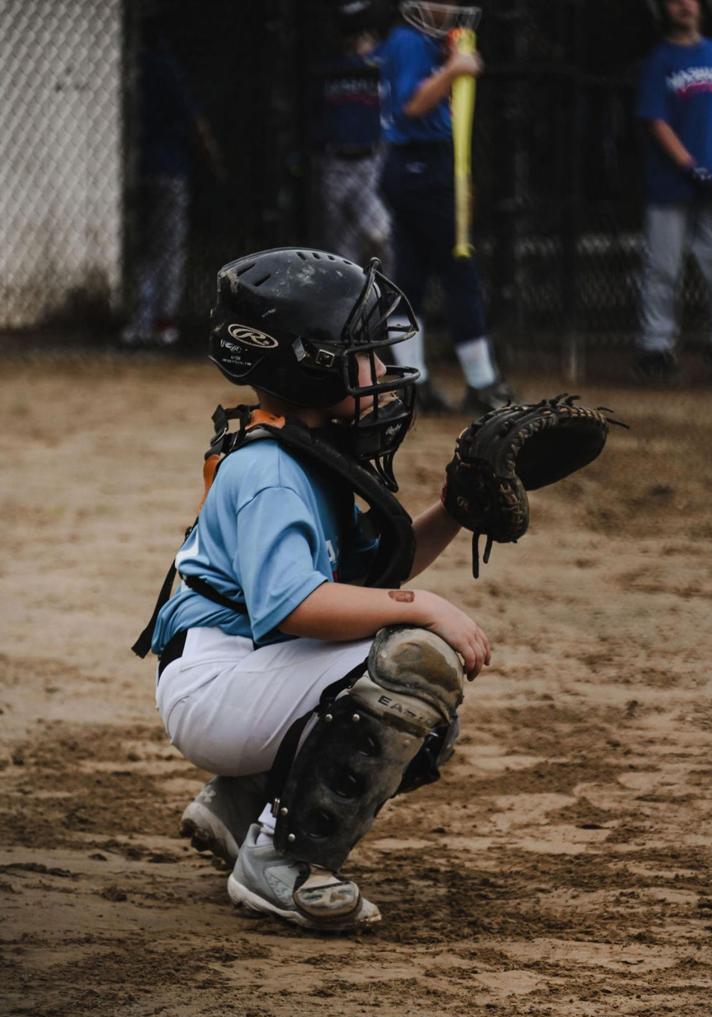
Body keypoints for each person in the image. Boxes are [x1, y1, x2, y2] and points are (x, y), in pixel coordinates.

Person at [136, 247, 490, 932]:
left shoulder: (304, 451)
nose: (384, 370)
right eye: (366, 355)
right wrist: (425, 607)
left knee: (424, 710)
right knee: (412, 666)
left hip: (243, 670)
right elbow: (297, 607)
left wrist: (452, 511)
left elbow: (371, 578)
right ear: (310, 364)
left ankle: (242, 803)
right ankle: (282, 860)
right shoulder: (270, 471)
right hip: (216, 685)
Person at [375, 0, 513, 414]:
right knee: (459, 270)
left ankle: (412, 382)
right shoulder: (409, 41)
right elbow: (412, 105)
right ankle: (482, 382)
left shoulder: (425, 41)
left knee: (411, 276)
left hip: (424, 165)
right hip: (420, 165)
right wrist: (455, 70)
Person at [635, 0, 712, 382]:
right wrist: (688, 165)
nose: (684, 6)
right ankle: (655, 348)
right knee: (664, 266)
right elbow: (655, 119)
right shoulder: (659, 60)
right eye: (675, 1)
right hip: (671, 182)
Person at [120, 13, 225, 349]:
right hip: (169, 168)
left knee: (144, 249)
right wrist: (215, 163)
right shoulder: (167, 67)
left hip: (135, 168)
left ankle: (141, 320)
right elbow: (194, 121)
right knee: (168, 247)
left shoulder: (130, 65)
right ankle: (164, 322)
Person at [314, 1, 392, 269]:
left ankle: (386, 290)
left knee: (379, 233)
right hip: (334, 161)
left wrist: (369, 49)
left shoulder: (381, 58)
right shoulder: (328, 62)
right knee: (340, 248)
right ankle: (350, 294)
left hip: (371, 160)